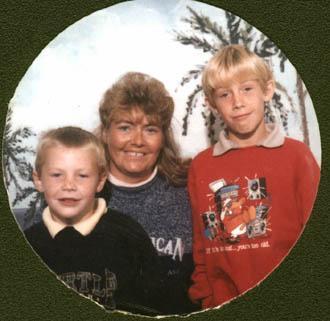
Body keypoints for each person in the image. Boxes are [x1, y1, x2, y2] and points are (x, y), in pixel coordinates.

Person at [188, 45, 320, 309]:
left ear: (267, 90)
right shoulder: (201, 166)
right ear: (212, 104)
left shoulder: (297, 156)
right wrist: (205, 297)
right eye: (225, 94)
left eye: (247, 89)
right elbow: (201, 245)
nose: (238, 102)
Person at [24, 126, 162, 315]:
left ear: (99, 181)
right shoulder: (28, 244)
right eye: (57, 175)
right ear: (38, 180)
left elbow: (153, 304)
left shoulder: (128, 235)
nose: (69, 185)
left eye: (82, 176)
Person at [97, 72, 197, 314]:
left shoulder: (187, 189)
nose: (137, 140)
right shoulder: (79, 194)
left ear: (163, 138)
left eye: (150, 129)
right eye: (125, 127)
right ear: (105, 132)